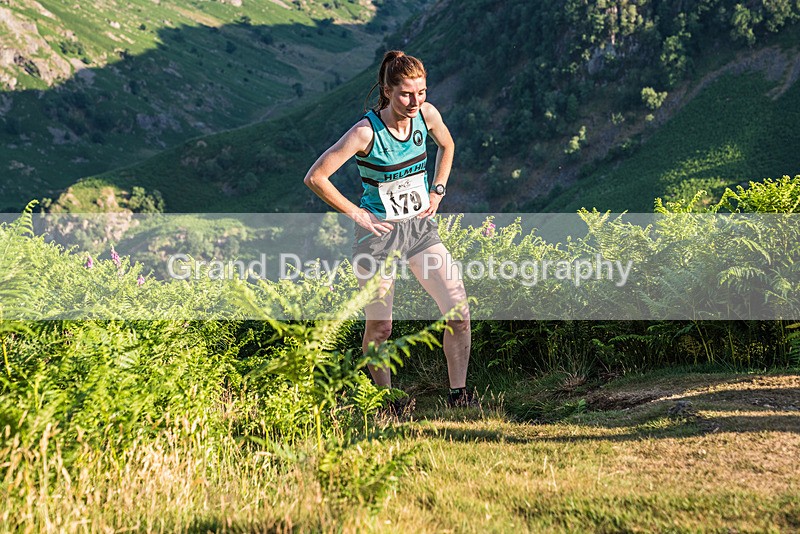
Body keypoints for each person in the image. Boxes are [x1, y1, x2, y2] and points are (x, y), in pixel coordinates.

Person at [303, 50, 474, 407]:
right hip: (377, 238)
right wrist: (358, 214)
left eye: (422, 92)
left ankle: (459, 395)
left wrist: (438, 190)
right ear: (387, 90)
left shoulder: (427, 115)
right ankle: (388, 401)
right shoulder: (365, 132)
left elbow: (447, 144)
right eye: (406, 94)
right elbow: (316, 177)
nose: (416, 102)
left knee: (458, 310)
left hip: (419, 230)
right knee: (381, 327)